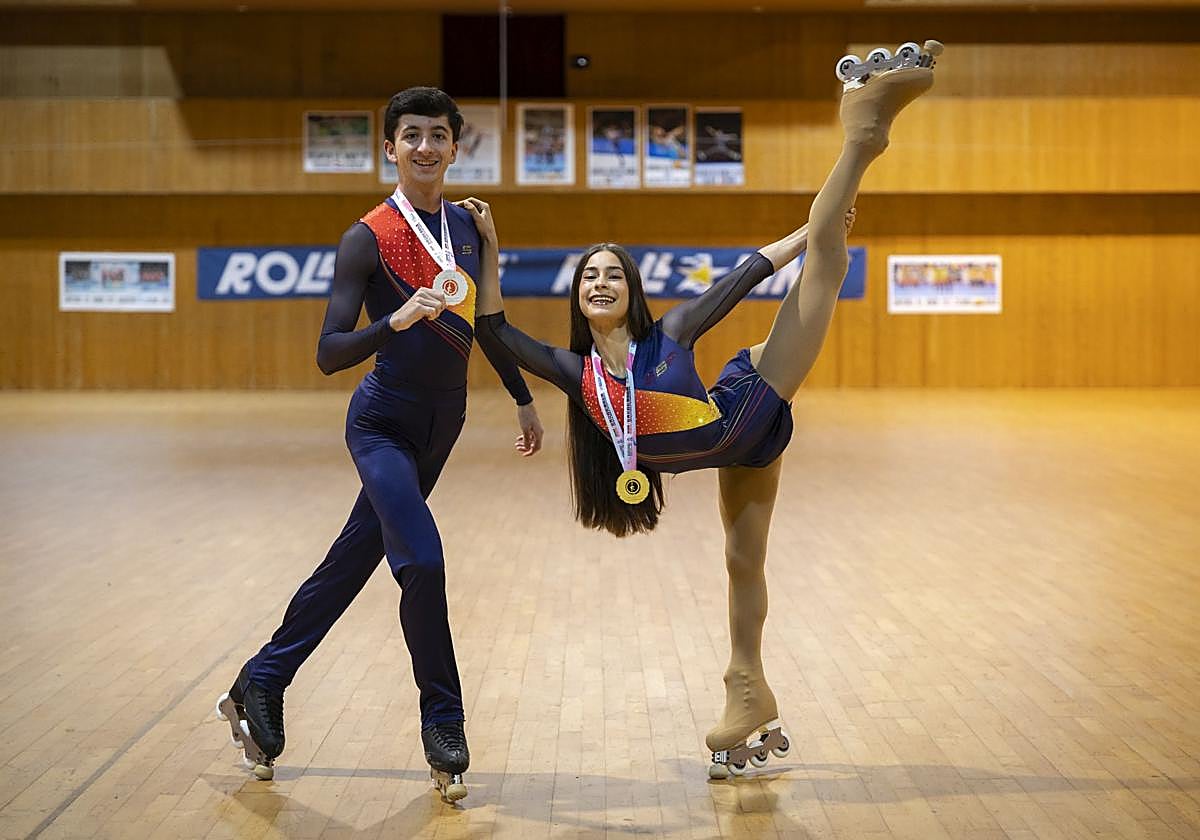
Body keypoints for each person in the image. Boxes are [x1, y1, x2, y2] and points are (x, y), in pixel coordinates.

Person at [468, 46, 939, 777]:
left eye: (612, 273)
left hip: (754, 403)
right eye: (588, 275)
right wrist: (491, 248)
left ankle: (862, 135)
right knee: (741, 560)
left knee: (825, 258)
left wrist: (810, 229)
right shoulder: (576, 373)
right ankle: (746, 688)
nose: (599, 282)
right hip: (735, 455)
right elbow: (492, 329)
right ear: (575, 296)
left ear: (632, 289)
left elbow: (751, 270)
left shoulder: (674, 331)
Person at [216, 86, 544, 803]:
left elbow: (488, 321)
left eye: (438, 135)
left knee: (352, 559)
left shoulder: (469, 227)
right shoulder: (367, 236)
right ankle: (445, 722)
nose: (425, 147)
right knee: (420, 561)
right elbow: (330, 353)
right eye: (411, 136)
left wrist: (522, 398)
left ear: (456, 147)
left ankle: (262, 679)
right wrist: (391, 322)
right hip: (382, 424)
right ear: (389, 149)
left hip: (444, 425)